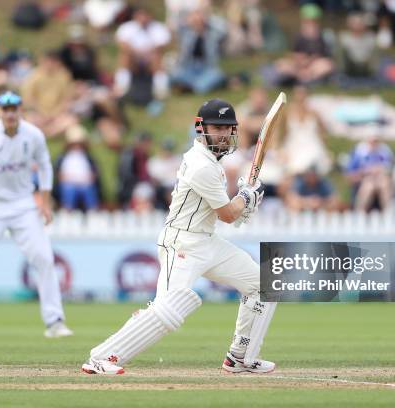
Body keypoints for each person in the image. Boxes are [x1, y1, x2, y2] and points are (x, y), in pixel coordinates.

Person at [81, 98, 275, 375]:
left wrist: (245, 201)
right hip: (182, 244)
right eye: (216, 128)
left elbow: (229, 214)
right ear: (201, 128)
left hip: (206, 241)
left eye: (227, 128)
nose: (222, 134)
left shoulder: (210, 161)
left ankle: (241, 357)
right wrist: (246, 196)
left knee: (262, 285)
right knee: (168, 311)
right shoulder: (201, 165)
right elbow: (229, 215)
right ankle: (102, 357)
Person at [0, 91, 73, 338]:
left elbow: (45, 166)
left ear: (20, 110)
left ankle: (54, 322)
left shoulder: (33, 135)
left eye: (14, 108)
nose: (10, 113)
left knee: (44, 258)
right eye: (5, 109)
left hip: (23, 205)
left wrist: (45, 203)